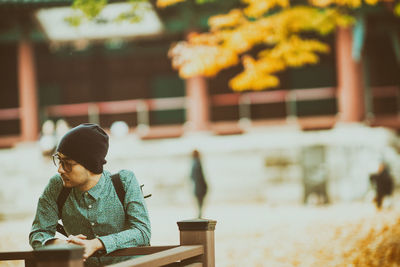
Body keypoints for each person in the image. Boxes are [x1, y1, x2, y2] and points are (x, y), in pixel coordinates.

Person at [29, 123, 151, 266]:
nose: (60, 169)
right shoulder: (57, 185)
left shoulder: (124, 181)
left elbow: (142, 231)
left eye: (67, 163)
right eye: (59, 160)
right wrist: (65, 245)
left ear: (90, 164)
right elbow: (38, 234)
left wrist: (97, 244)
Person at [190, 149, 208, 218]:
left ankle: (199, 214)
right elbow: (201, 175)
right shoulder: (198, 162)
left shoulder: (194, 162)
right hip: (200, 184)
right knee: (200, 201)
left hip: (198, 185)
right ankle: (200, 214)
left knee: (199, 200)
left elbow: (192, 176)